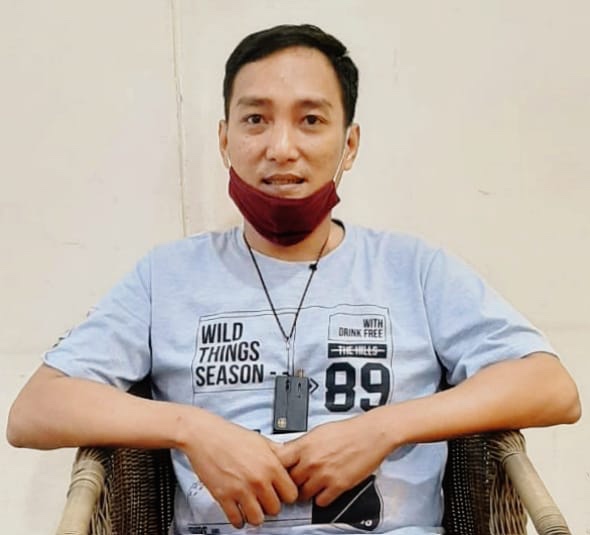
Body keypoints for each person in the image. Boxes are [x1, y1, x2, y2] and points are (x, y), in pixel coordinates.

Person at [7, 24, 580, 535]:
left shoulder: (414, 269)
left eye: (310, 120)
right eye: (256, 119)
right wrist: (191, 429)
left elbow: (552, 388)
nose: (281, 149)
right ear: (225, 140)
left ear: (349, 145)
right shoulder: (167, 276)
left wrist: (386, 428)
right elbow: (35, 410)